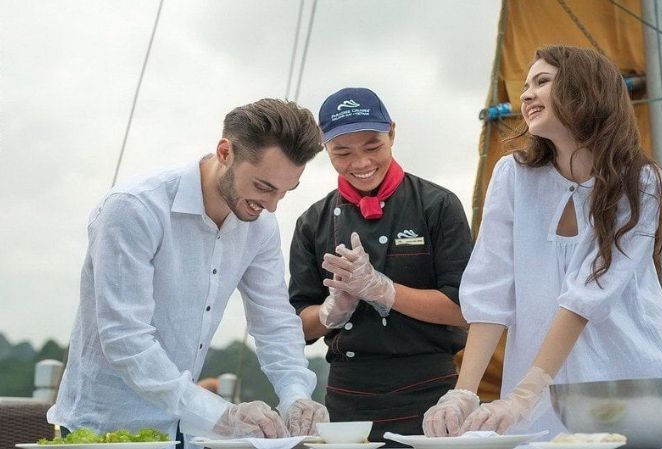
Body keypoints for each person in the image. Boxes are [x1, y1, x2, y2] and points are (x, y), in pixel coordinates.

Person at [422, 45, 662, 446]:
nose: (525, 95)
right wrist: (464, 392)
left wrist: (522, 395)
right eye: (525, 86)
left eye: (542, 82)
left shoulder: (640, 182)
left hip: (630, 382)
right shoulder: (512, 176)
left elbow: (587, 296)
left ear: (585, 90)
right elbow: (491, 289)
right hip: (538, 396)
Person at [48, 99, 330, 446]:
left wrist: (296, 395)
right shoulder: (134, 209)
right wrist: (223, 414)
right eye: (263, 187)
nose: (271, 206)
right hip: (100, 429)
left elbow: (274, 321)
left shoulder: (260, 226)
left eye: (285, 192)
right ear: (225, 152)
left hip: (184, 429)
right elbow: (126, 339)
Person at [289, 87, 472, 442]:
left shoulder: (438, 205)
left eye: (373, 146)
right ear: (326, 150)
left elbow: (465, 310)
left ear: (392, 132)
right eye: (342, 152)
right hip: (347, 397)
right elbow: (297, 327)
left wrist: (382, 289)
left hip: (431, 391)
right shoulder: (312, 222)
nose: (360, 163)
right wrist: (333, 311)